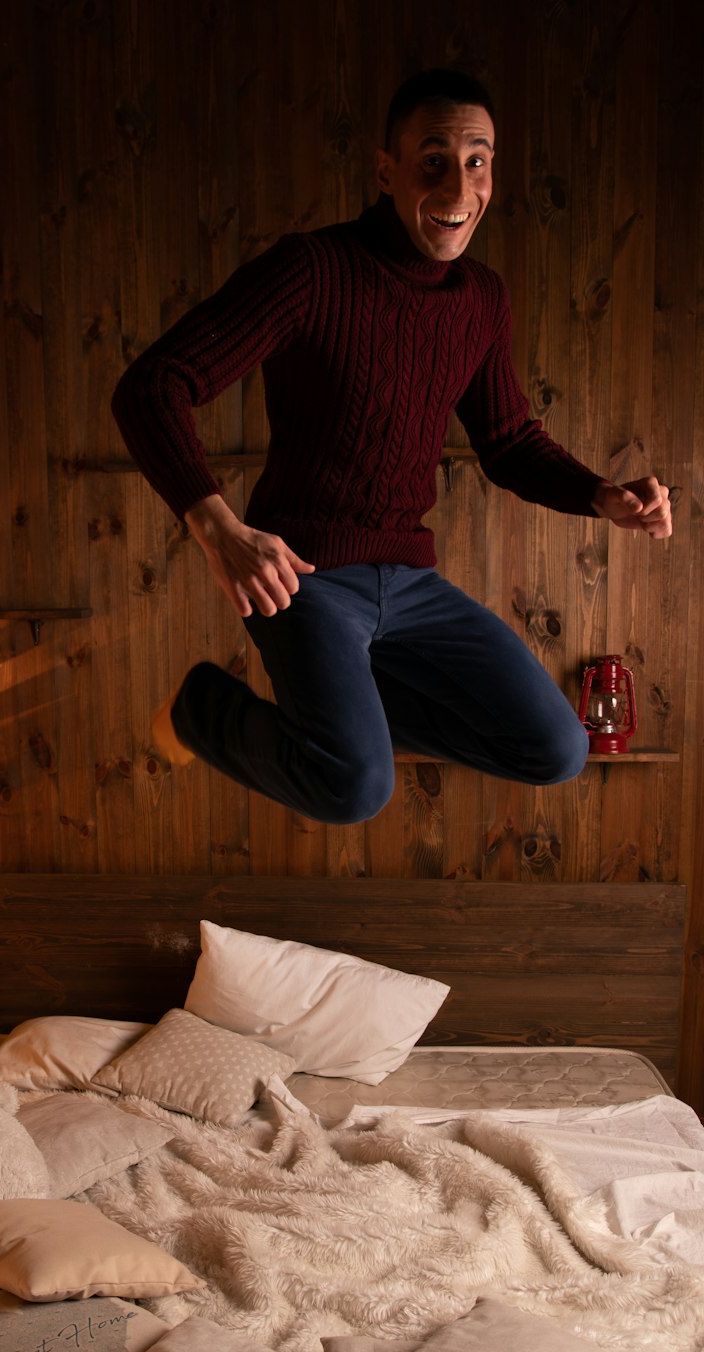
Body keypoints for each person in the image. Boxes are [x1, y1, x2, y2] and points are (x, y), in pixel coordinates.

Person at [111, 69, 671, 825]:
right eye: (433, 159)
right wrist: (218, 529)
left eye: (478, 160)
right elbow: (154, 384)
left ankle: (357, 717)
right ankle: (200, 711)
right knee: (353, 788)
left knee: (558, 749)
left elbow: (506, 439)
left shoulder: (481, 299)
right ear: (386, 171)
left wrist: (598, 495)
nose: (459, 184)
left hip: (410, 585)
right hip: (306, 576)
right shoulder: (312, 270)